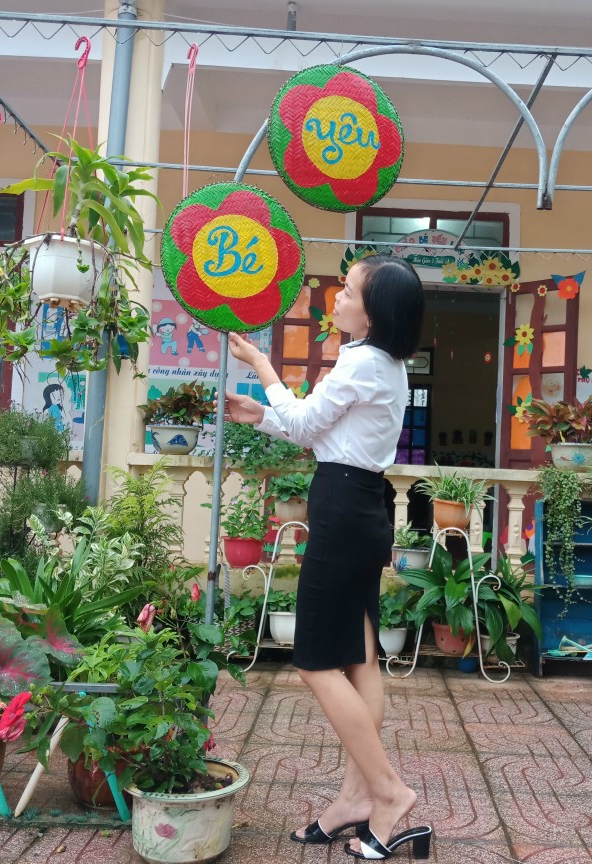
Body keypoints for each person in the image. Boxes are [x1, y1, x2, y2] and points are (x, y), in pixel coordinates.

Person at [225, 255, 431, 861]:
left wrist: (261, 365)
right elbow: (322, 432)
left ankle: (388, 793)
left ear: (374, 312)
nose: (336, 299)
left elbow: (306, 425)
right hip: (361, 507)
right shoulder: (385, 362)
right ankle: (354, 800)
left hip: (342, 512)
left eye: (349, 291)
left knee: (316, 663)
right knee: (360, 662)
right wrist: (265, 415)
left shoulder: (362, 361)